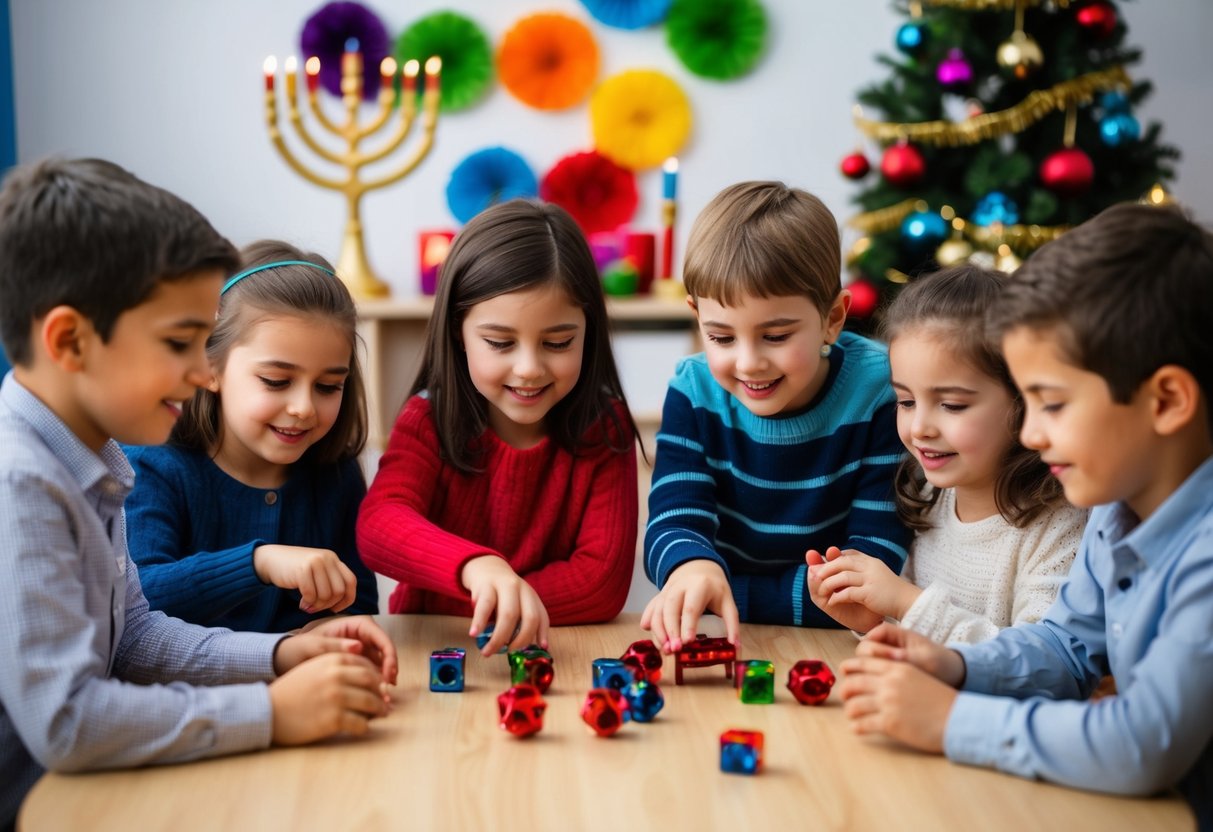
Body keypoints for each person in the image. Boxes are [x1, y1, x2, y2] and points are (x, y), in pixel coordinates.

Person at [0, 158, 397, 830]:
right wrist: (272, 712)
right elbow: (67, 722)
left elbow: (136, 638)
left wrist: (279, 655)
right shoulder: (22, 483)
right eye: (181, 342)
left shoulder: (87, 458)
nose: (201, 368)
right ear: (70, 340)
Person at [838, 202, 1213, 824]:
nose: (1031, 435)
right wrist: (954, 663)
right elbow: (1066, 650)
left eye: (1053, 405)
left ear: (1167, 400)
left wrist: (953, 719)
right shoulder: (1117, 512)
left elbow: (1143, 746)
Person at [357, 199, 640, 657]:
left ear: (590, 331)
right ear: (457, 332)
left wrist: (498, 596)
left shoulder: (605, 430)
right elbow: (379, 525)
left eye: (558, 342)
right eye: (500, 342)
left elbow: (600, 582)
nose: (529, 368)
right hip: (432, 649)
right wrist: (478, 567)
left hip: (552, 654)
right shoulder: (427, 420)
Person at [641, 181, 911, 652]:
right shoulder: (693, 388)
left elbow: (869, 572)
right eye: (722, 338)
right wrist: (693, 569)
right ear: (696, 315)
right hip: (728, 636)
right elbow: (673, 520)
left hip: (838, 644)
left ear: (833, 318)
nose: (748, 363)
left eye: (775, 335)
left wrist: (726, 592)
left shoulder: (880, 393)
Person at [807, 264, 1086, 643]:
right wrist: (871, 622)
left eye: (952, 405)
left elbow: (1040, 664)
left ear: (1025, 400)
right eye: (905, 401)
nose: (920, 426)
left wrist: (906, 602)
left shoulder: (1060, 527)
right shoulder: (929, 495)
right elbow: (919, 638)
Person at [123, 241, 378, 632]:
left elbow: (359, 601)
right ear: (209, 368)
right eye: (277, 381)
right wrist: (259, 563)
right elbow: (138, 599)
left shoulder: (336, 474)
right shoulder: (151, 462)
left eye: (328, 386)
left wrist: (334, 626)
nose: (304, 408)